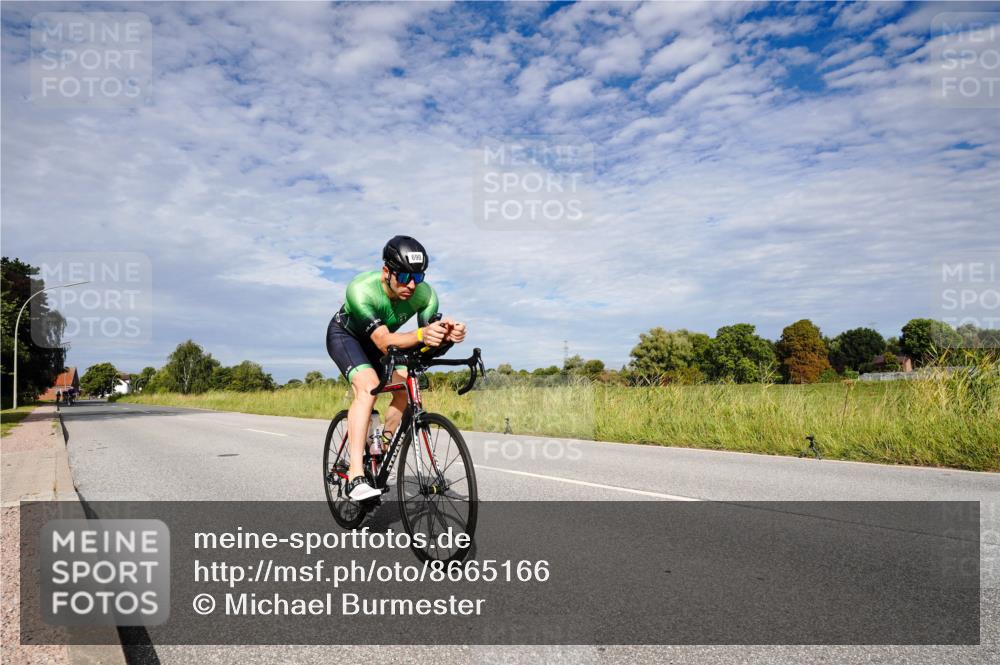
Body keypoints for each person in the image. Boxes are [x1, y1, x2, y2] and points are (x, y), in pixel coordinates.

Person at [326, 236, 466, 500]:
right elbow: (381, 340)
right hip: (348, 337)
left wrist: (446, 336)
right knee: (367, 388)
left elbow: (423, 343)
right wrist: (423, 334)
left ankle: (382, 446)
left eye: (418, 277)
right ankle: (356, 473)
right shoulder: (361, 289)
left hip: (388, 343)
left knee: (403, 389)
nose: (411, 285)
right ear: (386, 272)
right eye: (403, 276)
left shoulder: (425, 295)